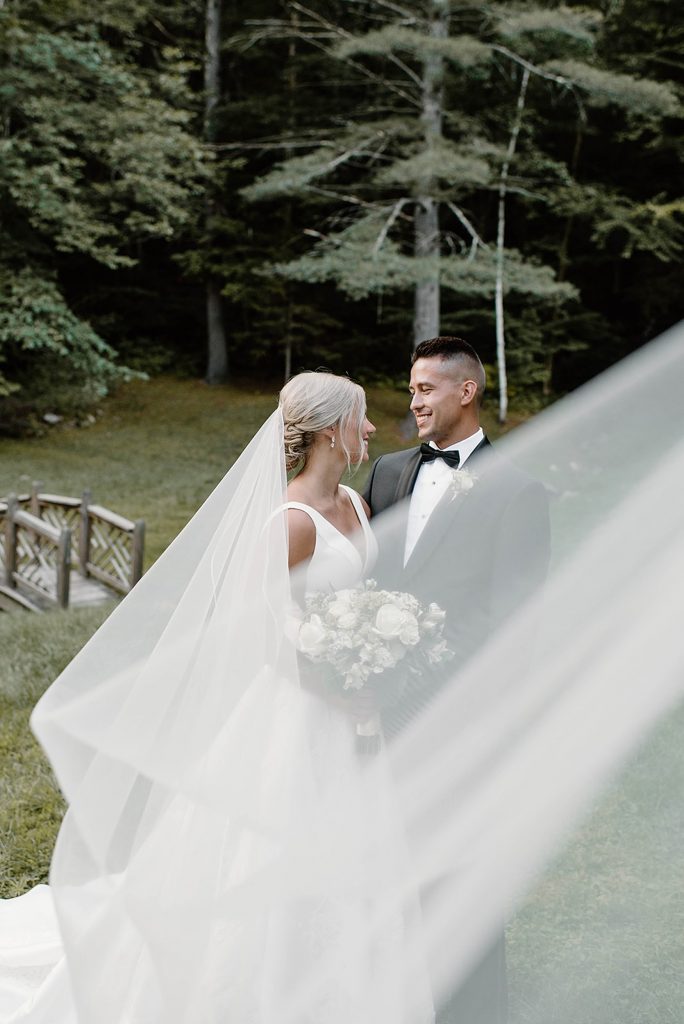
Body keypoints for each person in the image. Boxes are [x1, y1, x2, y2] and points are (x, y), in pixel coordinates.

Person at [0, 371, 434, 1024]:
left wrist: (370, 663)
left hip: (351, 715)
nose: (372, 428)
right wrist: (340, 694)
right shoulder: (291, 523)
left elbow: (359, 604)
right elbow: (263, 638)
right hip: (298, 715)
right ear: (327, 431)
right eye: (362, 418)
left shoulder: (356, 503)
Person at [363, 337, 551, 1024]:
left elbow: (516, 620)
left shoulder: (518, 490)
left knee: (457, 879)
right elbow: (362, 582)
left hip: (457, 719)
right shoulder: (385, 474)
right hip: (369, 713)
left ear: (465, 392)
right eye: (411, 390)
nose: (413, 402)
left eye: (425, 390)